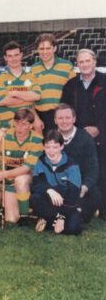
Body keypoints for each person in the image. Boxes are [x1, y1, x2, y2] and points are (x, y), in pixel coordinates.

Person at [60, 49, 106, 216]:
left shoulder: (104, 81)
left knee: (102, 171)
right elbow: (64, 110)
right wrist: (76, 132)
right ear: (77, 65)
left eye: (88, 61)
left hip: (102, 136)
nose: (85, 65)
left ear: (94, 62)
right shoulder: (71, 85)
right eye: (81, 62)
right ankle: (82, 206)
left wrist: (99, 129)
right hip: (77, 136)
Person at [0, 109, 43, 223]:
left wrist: (3, 174)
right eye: (17, 123)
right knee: (11, 220)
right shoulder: (6, 135)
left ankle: (25, 215)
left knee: (20, 179)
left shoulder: (37, 139)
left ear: (31, 125)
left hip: (26, 178)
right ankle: (13, 205)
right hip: (7, 181)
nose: (19, 128)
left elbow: (27, 168)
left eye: (24, 124)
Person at [54, 103, 101, 222]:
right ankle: (67, 214)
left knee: (95, 195)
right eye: (60, 118)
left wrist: (85, 186)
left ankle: (65, 215)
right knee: (37, 197)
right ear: (55, 120)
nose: (64, 121)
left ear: (74, 119)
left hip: (80, 184)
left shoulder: (85, 138)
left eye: (68, 118)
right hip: (57, 183)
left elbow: (93, 168)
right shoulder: (50, 137)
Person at [31, 130, 82, 235]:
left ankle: (49, 220)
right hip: (51, 199)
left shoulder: (71, 164)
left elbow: (74, 192)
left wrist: (62, 216)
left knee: (73, 229)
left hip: (67, 202)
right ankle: (52, 219)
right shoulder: (41, 161)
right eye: (48, 147)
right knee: (35, 198)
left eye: (55, 147)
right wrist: (49, 190)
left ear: (61, 147)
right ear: (43, 147)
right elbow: (36, 184)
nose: (51, 151)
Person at [32, 34, 75, 132]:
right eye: (41, 49)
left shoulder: (67, 66)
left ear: (54, 48)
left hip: (60, 117)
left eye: (48, 48)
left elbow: (75, 93)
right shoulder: (33, 69)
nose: (45, 52)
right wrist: (35, 118)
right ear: (37, 50)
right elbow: (29, 99)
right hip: (40, 117)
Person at [0, 41, 42, 131]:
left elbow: (37, 96)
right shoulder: (0, 78)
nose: (14, 59)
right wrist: (27, 98)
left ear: (21, 55)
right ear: (5, 58)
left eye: (16, 55)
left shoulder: (31, 76)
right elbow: (2, 101)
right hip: (7, 125)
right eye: (10, 56)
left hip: (27, 124)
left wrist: (14, 93)